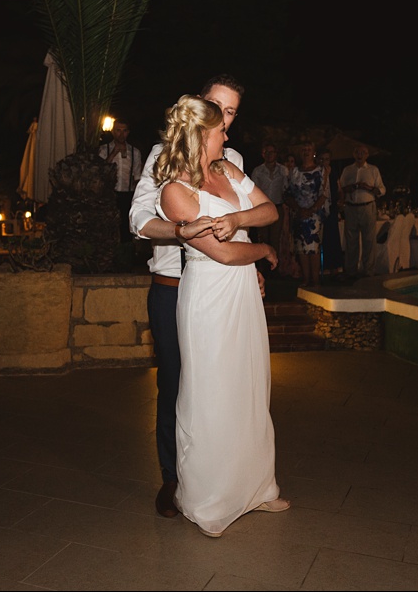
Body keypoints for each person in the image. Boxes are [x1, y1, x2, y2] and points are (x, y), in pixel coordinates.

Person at [130, 75, 277, 519]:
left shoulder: (230, 157)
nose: (223, 117)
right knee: (177, 383)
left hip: (230, 283)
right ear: (198, 105)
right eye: (216, 107)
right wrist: (181, 232)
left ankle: (233, 478)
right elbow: (138, 217)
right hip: (175, 286)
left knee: (231, 385)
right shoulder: (162, 155)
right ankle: (175, 478)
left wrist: (246, 263)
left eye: (231, 112)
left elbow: (253, 215)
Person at [339, 145, 386, 278]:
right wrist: (352, 187)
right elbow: (341, 188)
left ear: (367, 155)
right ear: (354, 154)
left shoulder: (373, 170)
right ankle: (351, 270)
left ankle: (368, 271)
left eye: (363, 153)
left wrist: (368, 188)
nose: (360, 155)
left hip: (367, 206)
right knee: (351, 241)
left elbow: (382, 190)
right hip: (351, 207)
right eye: (358, 152)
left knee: (369, 240)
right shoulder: (347, 170)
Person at [287, 143, 328, 287]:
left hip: (314, 215)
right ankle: (305, 278)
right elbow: (288, 193)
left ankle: (315, 279)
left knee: (313, 247)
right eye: (303, 150)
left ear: (314, 153)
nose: (306, 152)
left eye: (309, 150)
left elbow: (324, 194)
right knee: (301, 248)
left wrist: (311, 210)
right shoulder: (294, 172)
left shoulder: (321, 171)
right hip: (298, 213)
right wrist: (299, 209)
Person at [99, 121, 144, 241]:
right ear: (113, 132)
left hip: (127, 194)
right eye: (118, 130)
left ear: (128, 133)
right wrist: (114, 153)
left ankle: (125, 252)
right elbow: (100, 171)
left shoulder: (135, 152)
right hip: (109, 194)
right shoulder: (104, 149)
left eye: (124, 131)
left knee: (125, 227)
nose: (121, 134)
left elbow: (137, 175)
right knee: (108, 226)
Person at [250, 144, 288, 249]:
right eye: (267, 152)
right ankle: (263, 264)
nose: (269, 155)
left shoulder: (283, 170)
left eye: (272, 152)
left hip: (278, 206)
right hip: (262, 207)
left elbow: (287, 189)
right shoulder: (257, 171)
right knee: (263, 239)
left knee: (276, 239)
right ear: (263, 154)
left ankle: (276, 263)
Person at [317, 149, 343, 274]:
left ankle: (335, 266)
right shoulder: (317, 172)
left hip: (332, 207)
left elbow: (338, 188)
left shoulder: (334, 172)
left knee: (333, 236)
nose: (324, 162)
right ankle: (323, 266)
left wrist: (340, 200)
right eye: (322, 159)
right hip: (320, 207)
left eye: (326, 159)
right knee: (322, 237)